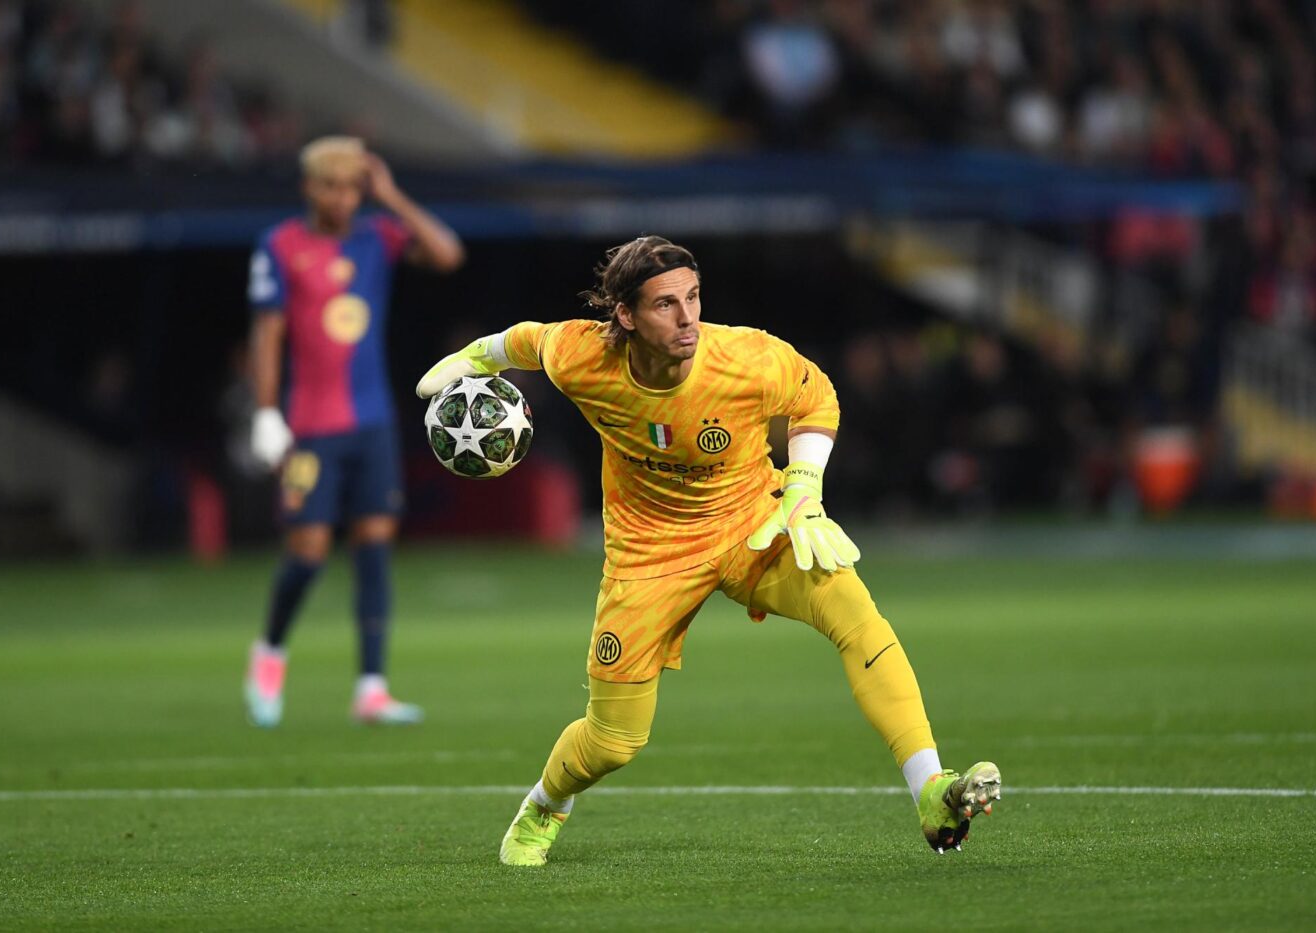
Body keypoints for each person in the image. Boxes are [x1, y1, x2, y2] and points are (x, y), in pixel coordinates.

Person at [416, 235, 999, 865]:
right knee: (613, 742)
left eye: (693, 297)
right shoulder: (582, 356)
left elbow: (816, 398)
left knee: (857, 619)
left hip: (753, 525)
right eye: (665, 304)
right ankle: (544, 805)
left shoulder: (747, 358)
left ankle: (930, 789)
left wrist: (803, 490)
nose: (688, 317)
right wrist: (474, 359)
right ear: (625, 316)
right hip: (648, 555)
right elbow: (526, 340)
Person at [244, 135, 464, 727]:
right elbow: (267, 333)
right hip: (310, 428)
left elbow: (447, 254)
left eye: (351, 188)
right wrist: (265, 412)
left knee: (374, 547)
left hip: (373, 424)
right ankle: (270, 651)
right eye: (331, 187)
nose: (342, 199)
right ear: (308, 187)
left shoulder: (378, 236)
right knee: (308, 553)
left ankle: (371, 688)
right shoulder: (280, 246)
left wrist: (390, 194)